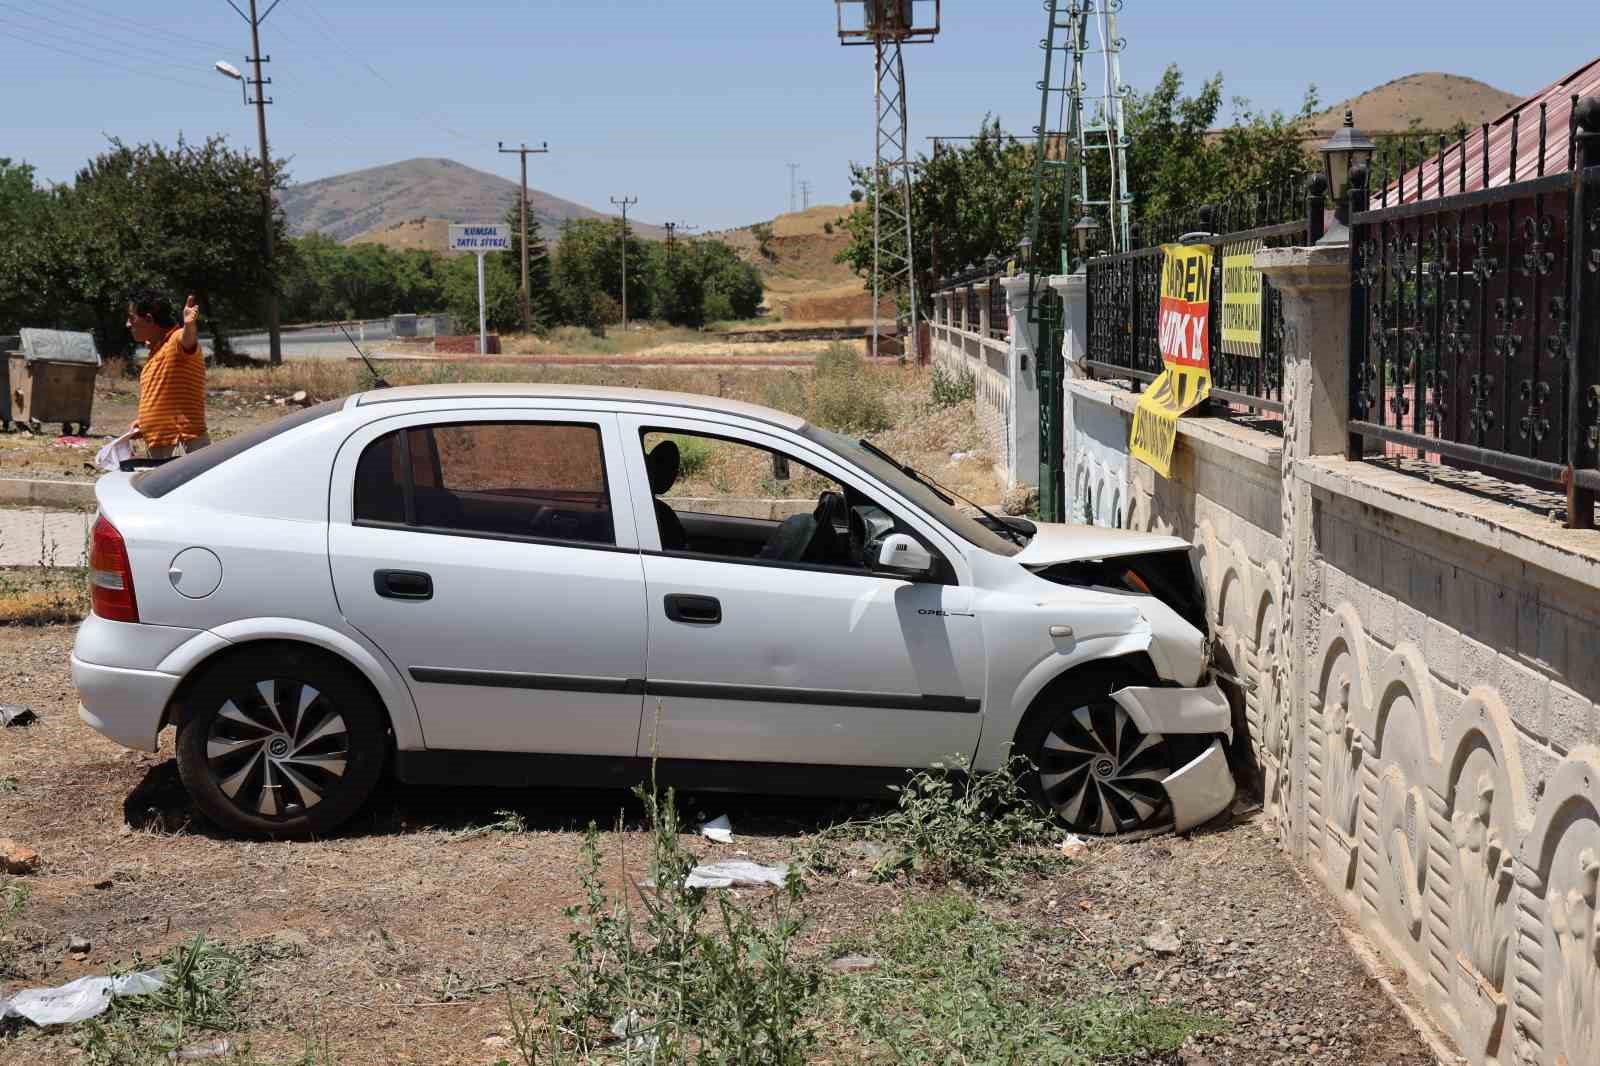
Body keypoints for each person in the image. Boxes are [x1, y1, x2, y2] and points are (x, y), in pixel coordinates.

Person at [125, 289, 209, 458]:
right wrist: (146, 423)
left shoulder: (176, 340)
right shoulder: (156, 351)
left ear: (148, 319)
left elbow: (187, 340)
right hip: (163, 446)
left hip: (181, 445)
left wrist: (189, 326)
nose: (128, 324)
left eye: (132, 318)